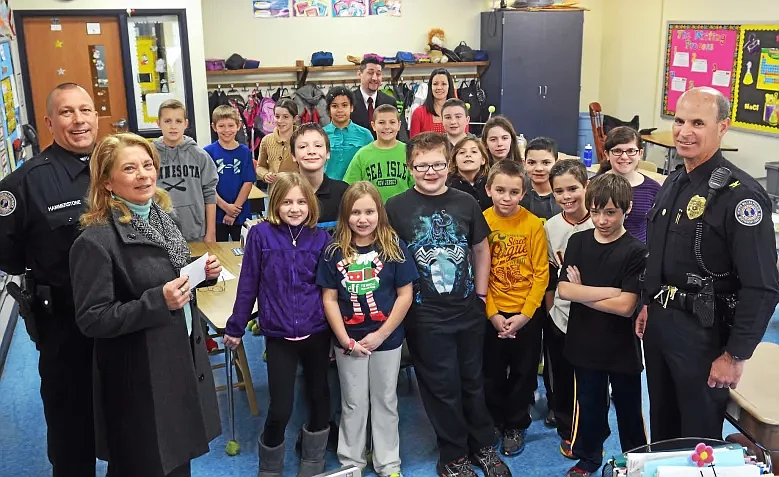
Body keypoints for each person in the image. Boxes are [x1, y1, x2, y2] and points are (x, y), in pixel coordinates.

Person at [69, 133, 222, 477]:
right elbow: (92, 319)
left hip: (178, 357)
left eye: (148, 165)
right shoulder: (96, 240)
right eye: (130, 168)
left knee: (177, 460)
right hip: (138, 378)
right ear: (107, 182)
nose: (144, 174)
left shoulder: (161, 218)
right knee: (145, 464)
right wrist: (158, 302)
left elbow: (169, 275)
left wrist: (201, 275)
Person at [640, 87, 779, 442]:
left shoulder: (741, 196)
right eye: (680, 120)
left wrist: (735, 355)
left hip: (704, 334)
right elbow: (660, 253)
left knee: (698, 436)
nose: (685, 131)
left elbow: (762, 286)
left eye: (698, 123)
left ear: (722, 127)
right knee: (663, 426)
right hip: (660, 325)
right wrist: (647, 302)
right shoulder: (673, 181)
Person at [386, 132, 510, 477]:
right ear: (410, 167)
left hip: (467, 307)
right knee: (442, 385)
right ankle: (453, 455)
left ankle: (482, 445)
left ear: (448, 164)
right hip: (424, 313)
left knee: (473, 379)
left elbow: (481, 249)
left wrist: (482, 296)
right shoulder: (395, 207)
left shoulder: (465, 202)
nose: (431, 172)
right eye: (422, 166)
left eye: (438, 164)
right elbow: (389, 259)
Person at [0, 82, 98, 476]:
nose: (79, 120)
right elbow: (11, 258)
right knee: (72, 428)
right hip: (66, 327)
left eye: (85, 110)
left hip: (126, 319)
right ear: (48, 121)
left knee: (130, 420)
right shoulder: (23, 185)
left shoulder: (119, 166)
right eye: (67, 112)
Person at [224, 173, 332, 477]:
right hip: (278, 333)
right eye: (286, 202)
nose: (294, 208)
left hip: (318, 332)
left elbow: (331, 291)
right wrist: (235, 325)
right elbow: (248, 284)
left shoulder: (322, 238)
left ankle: (313, 458)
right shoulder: (261, 236)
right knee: (281, 408)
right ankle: (269, 465)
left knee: (320, 397)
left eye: (300, 201)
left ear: (310, 204)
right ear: (275, 204)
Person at [317, 181, 418, 477]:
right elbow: (329, 298)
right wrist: (345, 340)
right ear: (345, 214)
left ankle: (389, 463)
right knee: (353, 402)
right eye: (356, 212)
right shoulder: (333, 250)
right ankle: (352, 463)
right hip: (348, 341)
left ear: (380, 213)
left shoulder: (394, 246)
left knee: (386, 400)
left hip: (386, 339)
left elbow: (405, 295)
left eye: (370, 211)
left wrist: (380, 335)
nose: (363, 219)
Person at [558, 173, 647, 477]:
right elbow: (565, 290)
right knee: (590, 404)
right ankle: (589, 455)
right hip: (584, 343)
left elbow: (626, 307)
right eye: (595, 211)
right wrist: (609, 291)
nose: (602, 220)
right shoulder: (578, 241)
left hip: (622, 347)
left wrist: (585, 293)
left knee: (629, 410)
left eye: (610, 212)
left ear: (627, 209)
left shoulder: (636, 250)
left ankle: (637, 458)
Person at [482, 160, 549, 457]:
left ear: (523, 193)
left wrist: (525, 315)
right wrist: (493, 314)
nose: (506, 197)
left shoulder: (534, 225)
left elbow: (540, 274)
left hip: (526, 314)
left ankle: (515, 424)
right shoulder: (482, 221)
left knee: (523, 373)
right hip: (492, 312)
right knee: (492, 372)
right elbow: (480, 272)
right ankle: (494, 419)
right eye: (500, 190)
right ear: (488, 190)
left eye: (513, 192)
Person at [543, 159, 593, 459]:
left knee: (589, 378)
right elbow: (550, 274)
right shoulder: (551, 226)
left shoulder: (600, 221)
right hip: (561, 315)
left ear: (586, 186)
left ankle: (589, 430)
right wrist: (550, 310)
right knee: (561, 376)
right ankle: (566, 429)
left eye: (573, 188)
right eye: (558, 191)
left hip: (595, 315)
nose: (566, 196)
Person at [153, 99, 218, 243]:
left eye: (178, 121)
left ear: (186, 124)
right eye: (167, 121)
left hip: (195, 231)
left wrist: (211, 232)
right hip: (161, 234)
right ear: (158, 123)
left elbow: (210, 194)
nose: (173, 126)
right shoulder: (150, 156)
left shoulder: (200, 155)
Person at [343, 104, 414, 203]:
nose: (387, 127)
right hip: (371, 212)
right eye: (381, 122)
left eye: (392, 122)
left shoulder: (409, 152)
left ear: (399, 125)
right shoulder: (362, 155)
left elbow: (416, 185)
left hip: (403, 211)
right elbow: (350, 187)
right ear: (373, 125)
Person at [204, 105, 255, 241]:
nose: (226, 130)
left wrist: (233, 211)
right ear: (214, 127)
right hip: (216, 213)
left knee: (245, 252)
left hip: (240, 212)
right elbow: (207, 186)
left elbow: (248, 182)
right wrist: (226, 207)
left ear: (238, 126)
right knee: (218, 253)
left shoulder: (244, 152)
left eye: (231, 125)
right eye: (221, 126)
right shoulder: (207, 153)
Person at [292, 122, 349, 230]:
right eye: (303, 146)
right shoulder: (285, 193)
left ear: (328, 153)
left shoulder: (344, 192)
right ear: (293, 155)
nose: (311, 151)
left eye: (318, 146)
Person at [323, 86, 374, 181]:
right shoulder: (321, 134)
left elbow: (372, 164)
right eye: (334, 106)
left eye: (344, 105)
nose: (340, 110)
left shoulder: (365, 134)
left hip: (356, 189)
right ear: (328, 110)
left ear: (352, 108)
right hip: (327, 189)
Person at [409, 69, 464, 138]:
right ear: (430, 87)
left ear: (449, 86)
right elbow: (413, 144)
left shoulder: (460, 112)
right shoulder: (418, 113)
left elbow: (464, 142)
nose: (439, 87)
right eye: (435, 84)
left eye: (443, 84)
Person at [257, 99, 300, 184]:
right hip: (274, 191)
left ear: (295, 118)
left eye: (285, 117)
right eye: (277, 116)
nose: (280, 121)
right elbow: (260, 166)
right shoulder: (266, 140)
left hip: (298, 190)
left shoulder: (303, 139)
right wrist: (265, 175)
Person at [521, 137, 562, 225]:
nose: (539, 168)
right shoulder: (516, 192)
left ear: (557, 163)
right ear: (524, 164)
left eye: (546, 163)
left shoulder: (567, 194)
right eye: (532, 163)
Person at [351, 57, 396, 136]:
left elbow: (397, 133)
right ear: (359, 74)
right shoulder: (349, 101)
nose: (375, 78)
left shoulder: (390, 102)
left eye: (378, 74)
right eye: (370, 73)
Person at [447, 135, 492, 211]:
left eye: (474, 151)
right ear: (455, 162)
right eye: (462, 152)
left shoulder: (492, 183)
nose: (468, 155)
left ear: (483, 160)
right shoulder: (447, 186)